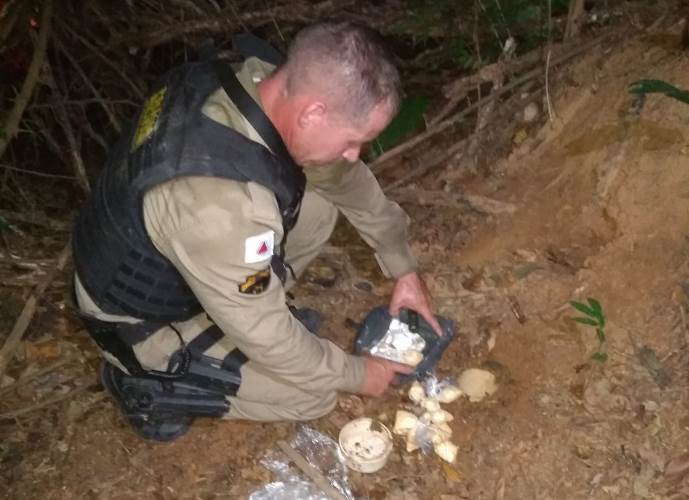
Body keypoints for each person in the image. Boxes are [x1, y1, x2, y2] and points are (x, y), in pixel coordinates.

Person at [72, 21, 443, 441]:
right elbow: (266, 336)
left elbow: (345, 181)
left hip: (196, 261)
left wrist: (403, 268)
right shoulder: (218, 203)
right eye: (353, 141)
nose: (354, 154)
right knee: (314, 395)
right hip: (143, 321)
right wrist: (359, 373)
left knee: (319, 205)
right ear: (314, 113)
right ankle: (145, 383)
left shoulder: (260, 82)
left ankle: (246, 303)